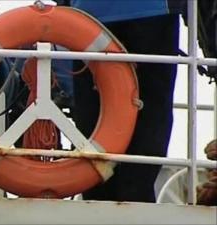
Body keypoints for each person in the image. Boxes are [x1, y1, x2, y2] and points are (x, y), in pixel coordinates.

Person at [66, 0, 181, 202]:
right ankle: (132, 198)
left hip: (93, 15)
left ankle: (104, 197)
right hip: (148, 14)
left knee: (94, 115)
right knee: (149, 114)